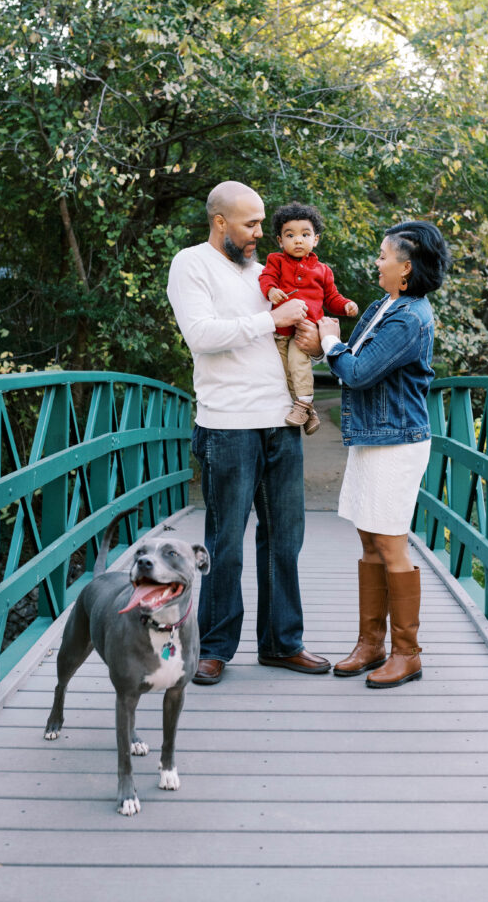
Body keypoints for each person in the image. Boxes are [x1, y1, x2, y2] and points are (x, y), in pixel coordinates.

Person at [166, 180, 331, 685]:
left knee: (285, 540)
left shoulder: (266, 274)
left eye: (263, 223)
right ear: (220, 222)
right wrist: (272, 319)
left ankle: (282, 644)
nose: (262, 233)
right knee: (226, 542)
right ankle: (215, 648)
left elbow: (303, 333)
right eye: (251, 224)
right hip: (227, 426)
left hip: (280, 423)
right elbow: (202, 335)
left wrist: (317, 339)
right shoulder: (191, 265)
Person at [317, 221, 450, 688]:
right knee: (370, 541)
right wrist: (334, 347)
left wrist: (330, 341)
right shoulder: (383, 305)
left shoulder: (410, 318)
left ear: (406, 267)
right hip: (373, 439)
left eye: (382, 255)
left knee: (392, 544)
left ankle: (407, 652)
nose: (376, 262)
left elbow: (355, 371)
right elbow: (350, 359)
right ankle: (370, 644)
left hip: (397, 443)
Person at [258, 201, 358, 436]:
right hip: (281, 331)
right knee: (284, 372)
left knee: (298, 363)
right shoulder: (276, 260)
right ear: (280, 241)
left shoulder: (323, 270)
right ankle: (309, 412)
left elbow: (331, 297)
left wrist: (346, 306)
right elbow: (266, 278)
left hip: (304, 329)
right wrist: (271, 290)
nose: (298, 240)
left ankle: (303, 402)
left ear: (316, 239)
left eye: (305, 234)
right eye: (290, 235)